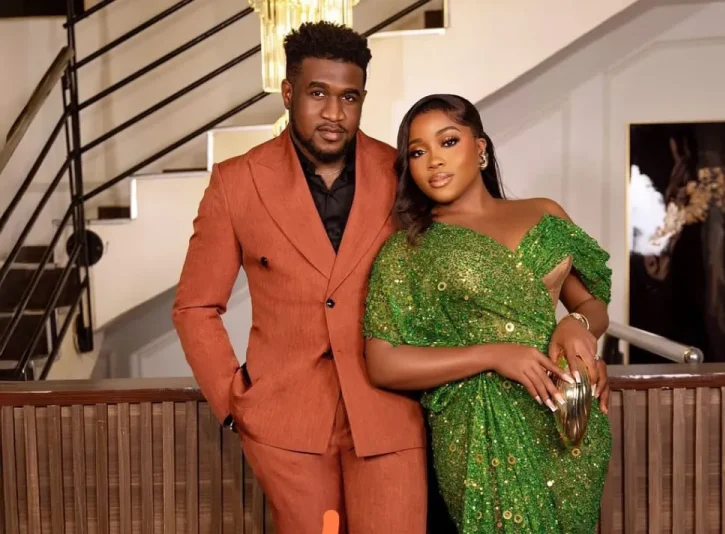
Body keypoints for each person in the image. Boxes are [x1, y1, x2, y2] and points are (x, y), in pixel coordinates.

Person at [172, 22, 426, 534]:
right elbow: (195, 306)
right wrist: (234, 403)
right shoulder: (236, 182)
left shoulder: (402, 172)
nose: (334, 113)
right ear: (288, 93)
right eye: (317, 93)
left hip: (389, 411)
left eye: (348, 97)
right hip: (286, 422)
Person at [363, 94, 612, 533]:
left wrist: (578, 325)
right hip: (480, 426)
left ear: (480, 148)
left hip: (566, 415)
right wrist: (494, 354)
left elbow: (590, 304)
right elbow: (383, 363)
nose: (434, 161)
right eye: (418, 152)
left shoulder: (544, 214)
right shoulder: (409, 249)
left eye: (448, 142)